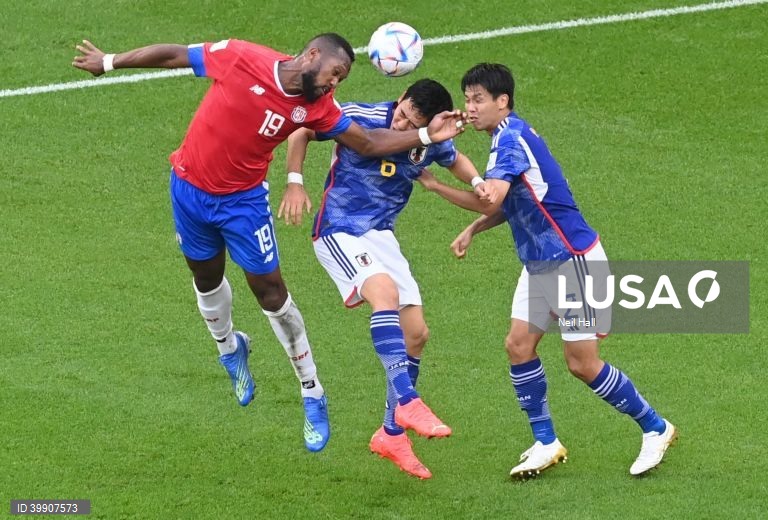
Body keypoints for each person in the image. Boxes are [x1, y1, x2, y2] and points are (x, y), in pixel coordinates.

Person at [72, 35, 464, 453]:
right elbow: (174, 55)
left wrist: (425, 136)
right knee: (206, 278)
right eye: (334, 73)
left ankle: (312, 393)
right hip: (187, 187)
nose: (335, 84)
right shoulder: (242, 57)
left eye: (342, 79)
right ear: (313, 55)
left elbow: (367, 143)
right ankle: (230, 349)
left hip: (243, 203)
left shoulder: (319, 107)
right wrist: (110, 61)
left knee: (271, 293)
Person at [418, 63, 676, 477]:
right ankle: (545, 441)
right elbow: (514, 202)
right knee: (519, 345)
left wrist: (434, 186)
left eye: (478, 99)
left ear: (503, 101)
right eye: (467, 99)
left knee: (582, 364)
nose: (470, 108)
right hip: (541, 263)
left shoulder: (511, 139)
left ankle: (656, 427)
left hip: (571, 261)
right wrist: (475, 229)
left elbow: (490, 199)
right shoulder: (508, 135)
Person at [280, 78, 491, 478]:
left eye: (410, 121)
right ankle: (408, 400)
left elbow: (453, 157)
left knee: (416, 334)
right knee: (384, 293)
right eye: (400, 112)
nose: (399, 123)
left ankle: (391, 433)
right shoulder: (361, 116)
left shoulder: (430, 140)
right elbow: (305, 128)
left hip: (381, 236)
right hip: (338, 230)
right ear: (399, 100)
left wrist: (478, 182)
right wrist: (295, 181)